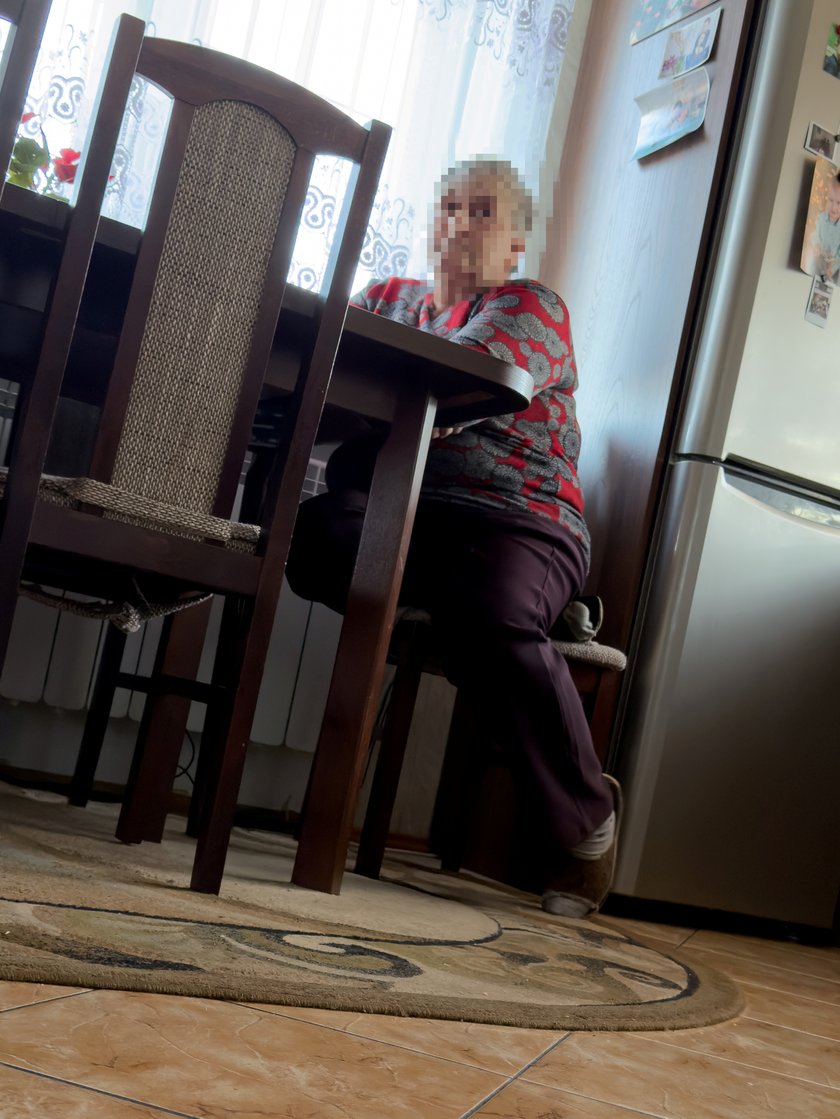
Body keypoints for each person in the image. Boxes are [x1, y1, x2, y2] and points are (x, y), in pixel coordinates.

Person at [286, 157, 619, 918]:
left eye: (483, 212)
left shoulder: (530, 305)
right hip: (416, 519)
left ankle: (587, 826)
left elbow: (463, 384)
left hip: (523, 519)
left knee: (494, 606)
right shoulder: (388, 300)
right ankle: (516, 603)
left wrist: (369, 424)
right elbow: (322, 373)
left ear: (514, 244)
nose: (460, 224)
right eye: (449, 207)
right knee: (314, 534)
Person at [804, 171, 840, 284]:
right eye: (830, 200)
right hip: (818, 258)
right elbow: (815, 234)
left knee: (829, 280)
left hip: (832, 266)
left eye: (839, 203)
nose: (834, 207)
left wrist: (832, 266)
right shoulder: (822, 217)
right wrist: (816, 244)